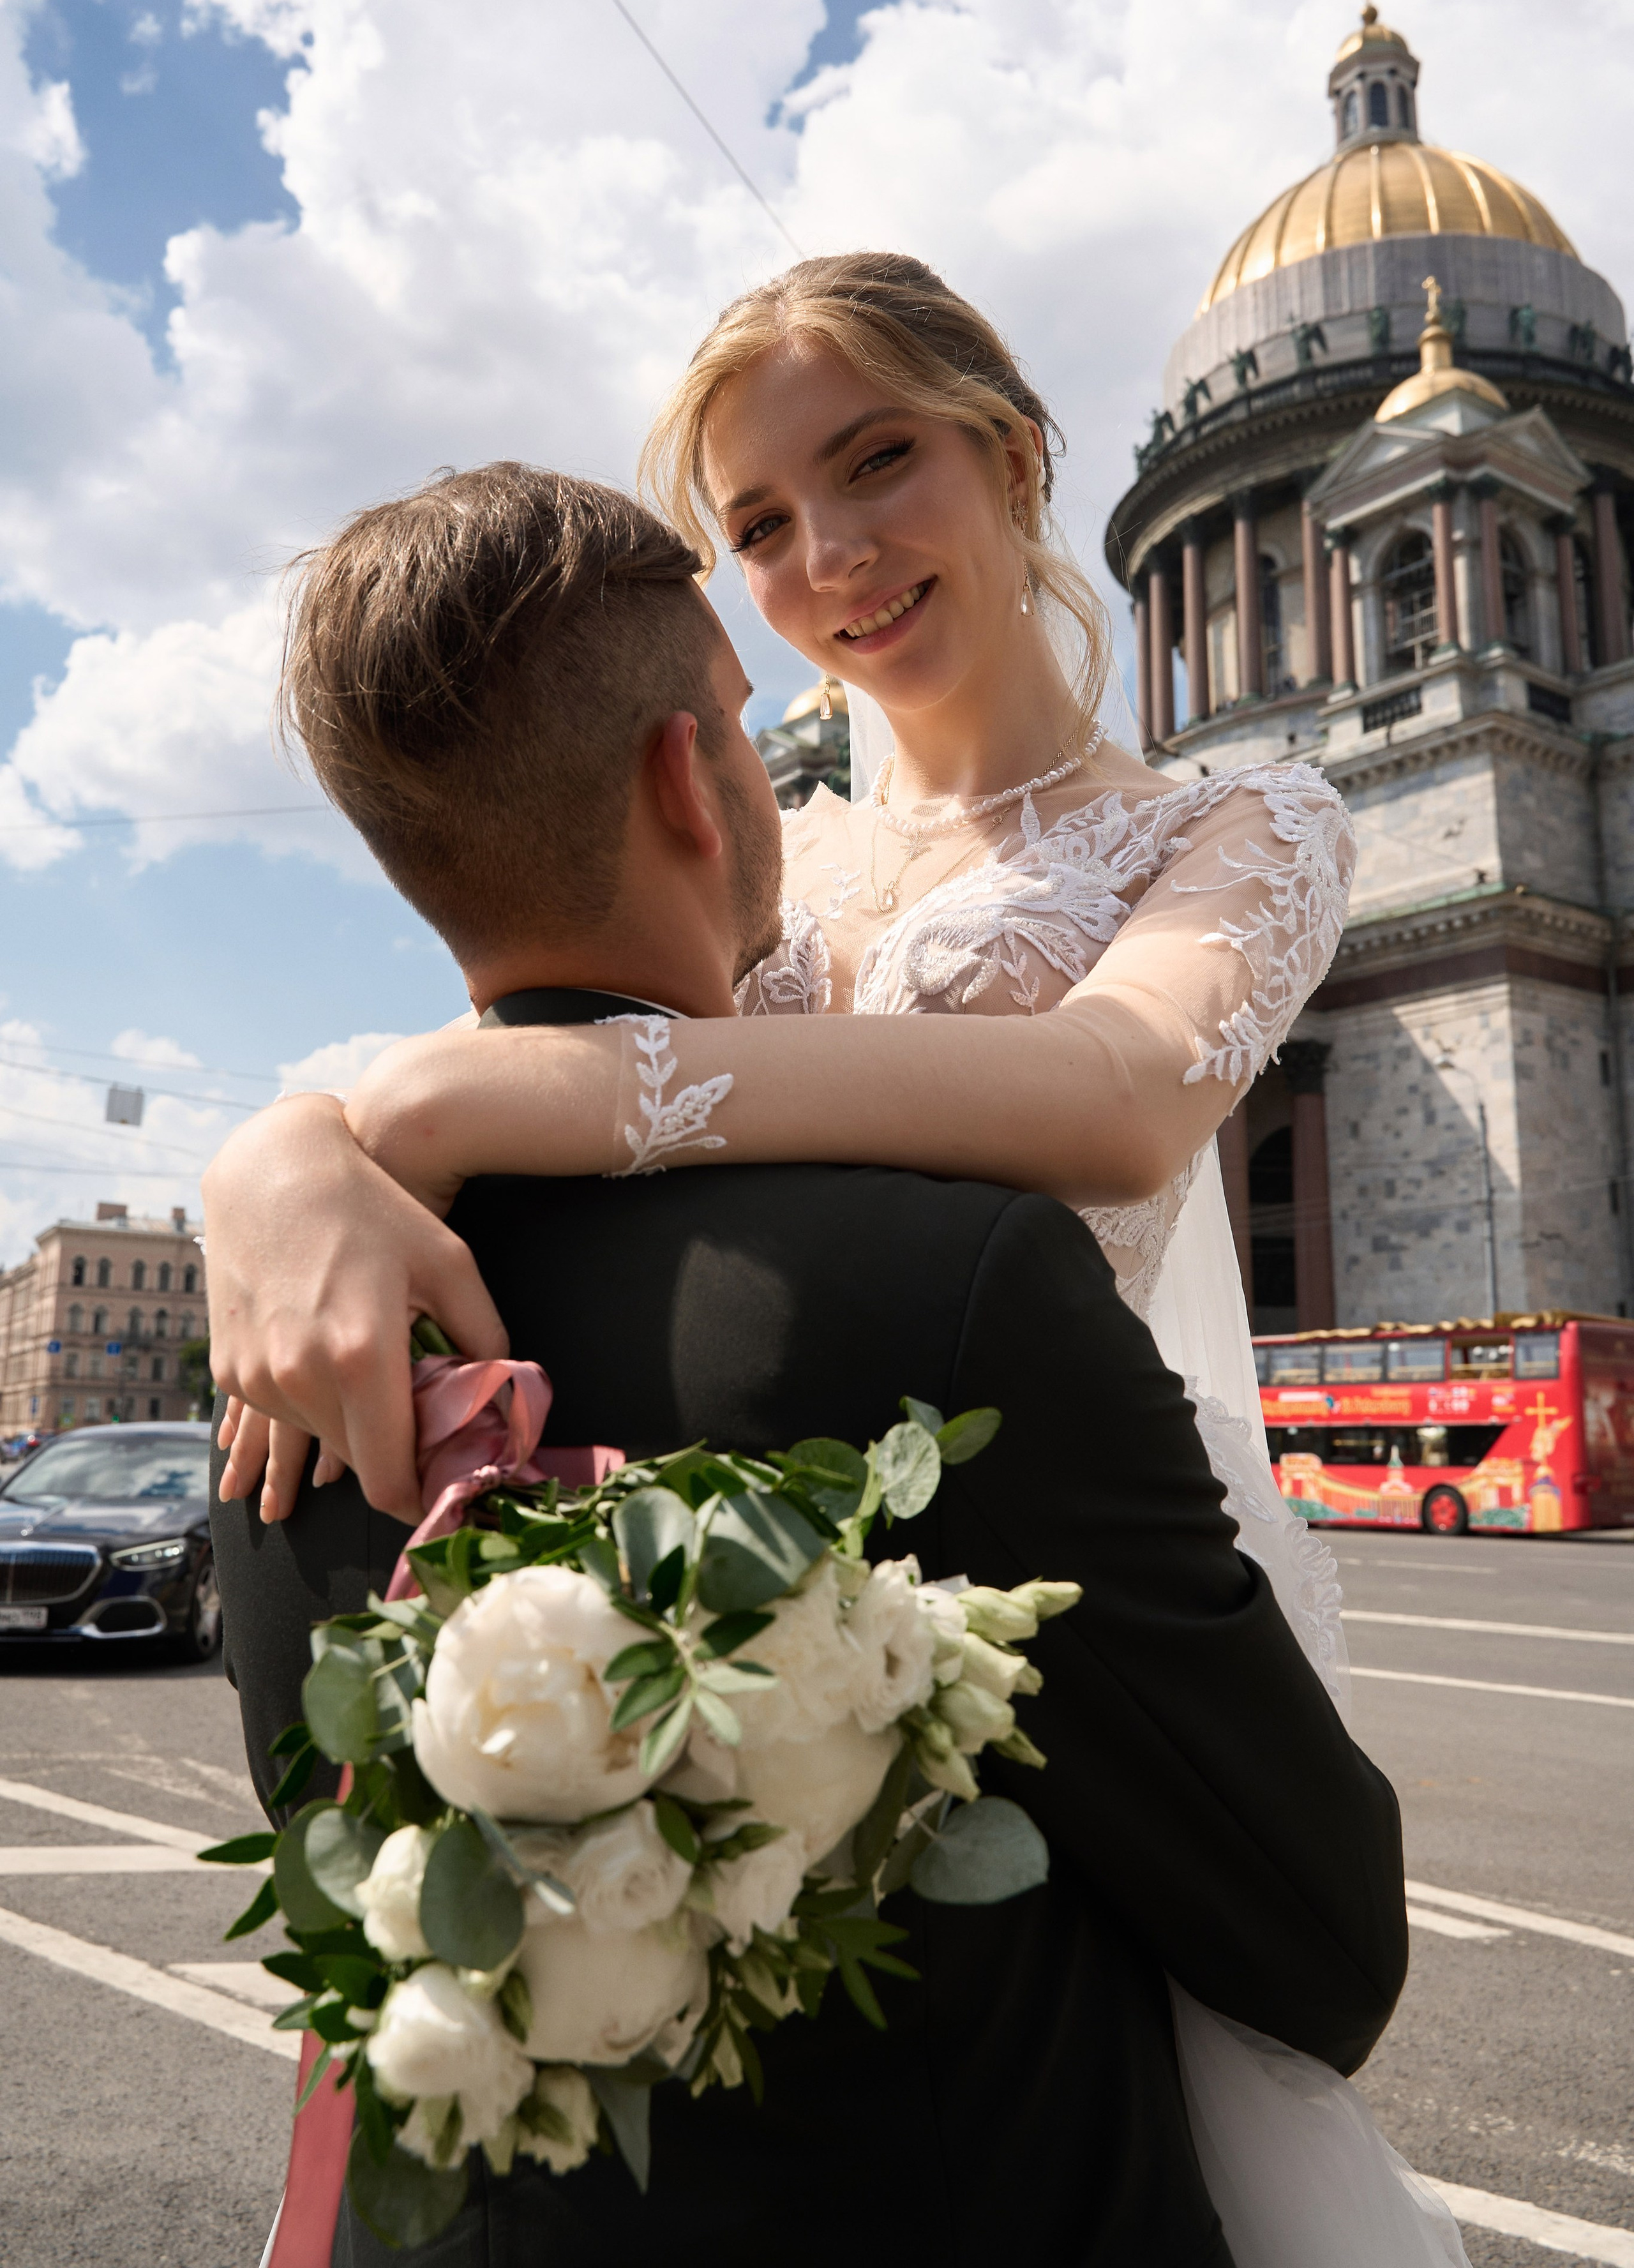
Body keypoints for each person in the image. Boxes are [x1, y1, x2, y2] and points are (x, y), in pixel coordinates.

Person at [205, 258, 1466, 2264]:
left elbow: (1123, 1093)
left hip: (1083, 1560)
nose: (832, 560)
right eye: (764, 527)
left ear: (1020, 455)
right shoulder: (768, 835)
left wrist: (465, 1101)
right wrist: (281, 1155)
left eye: (878, 462)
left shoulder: (1243, 819)